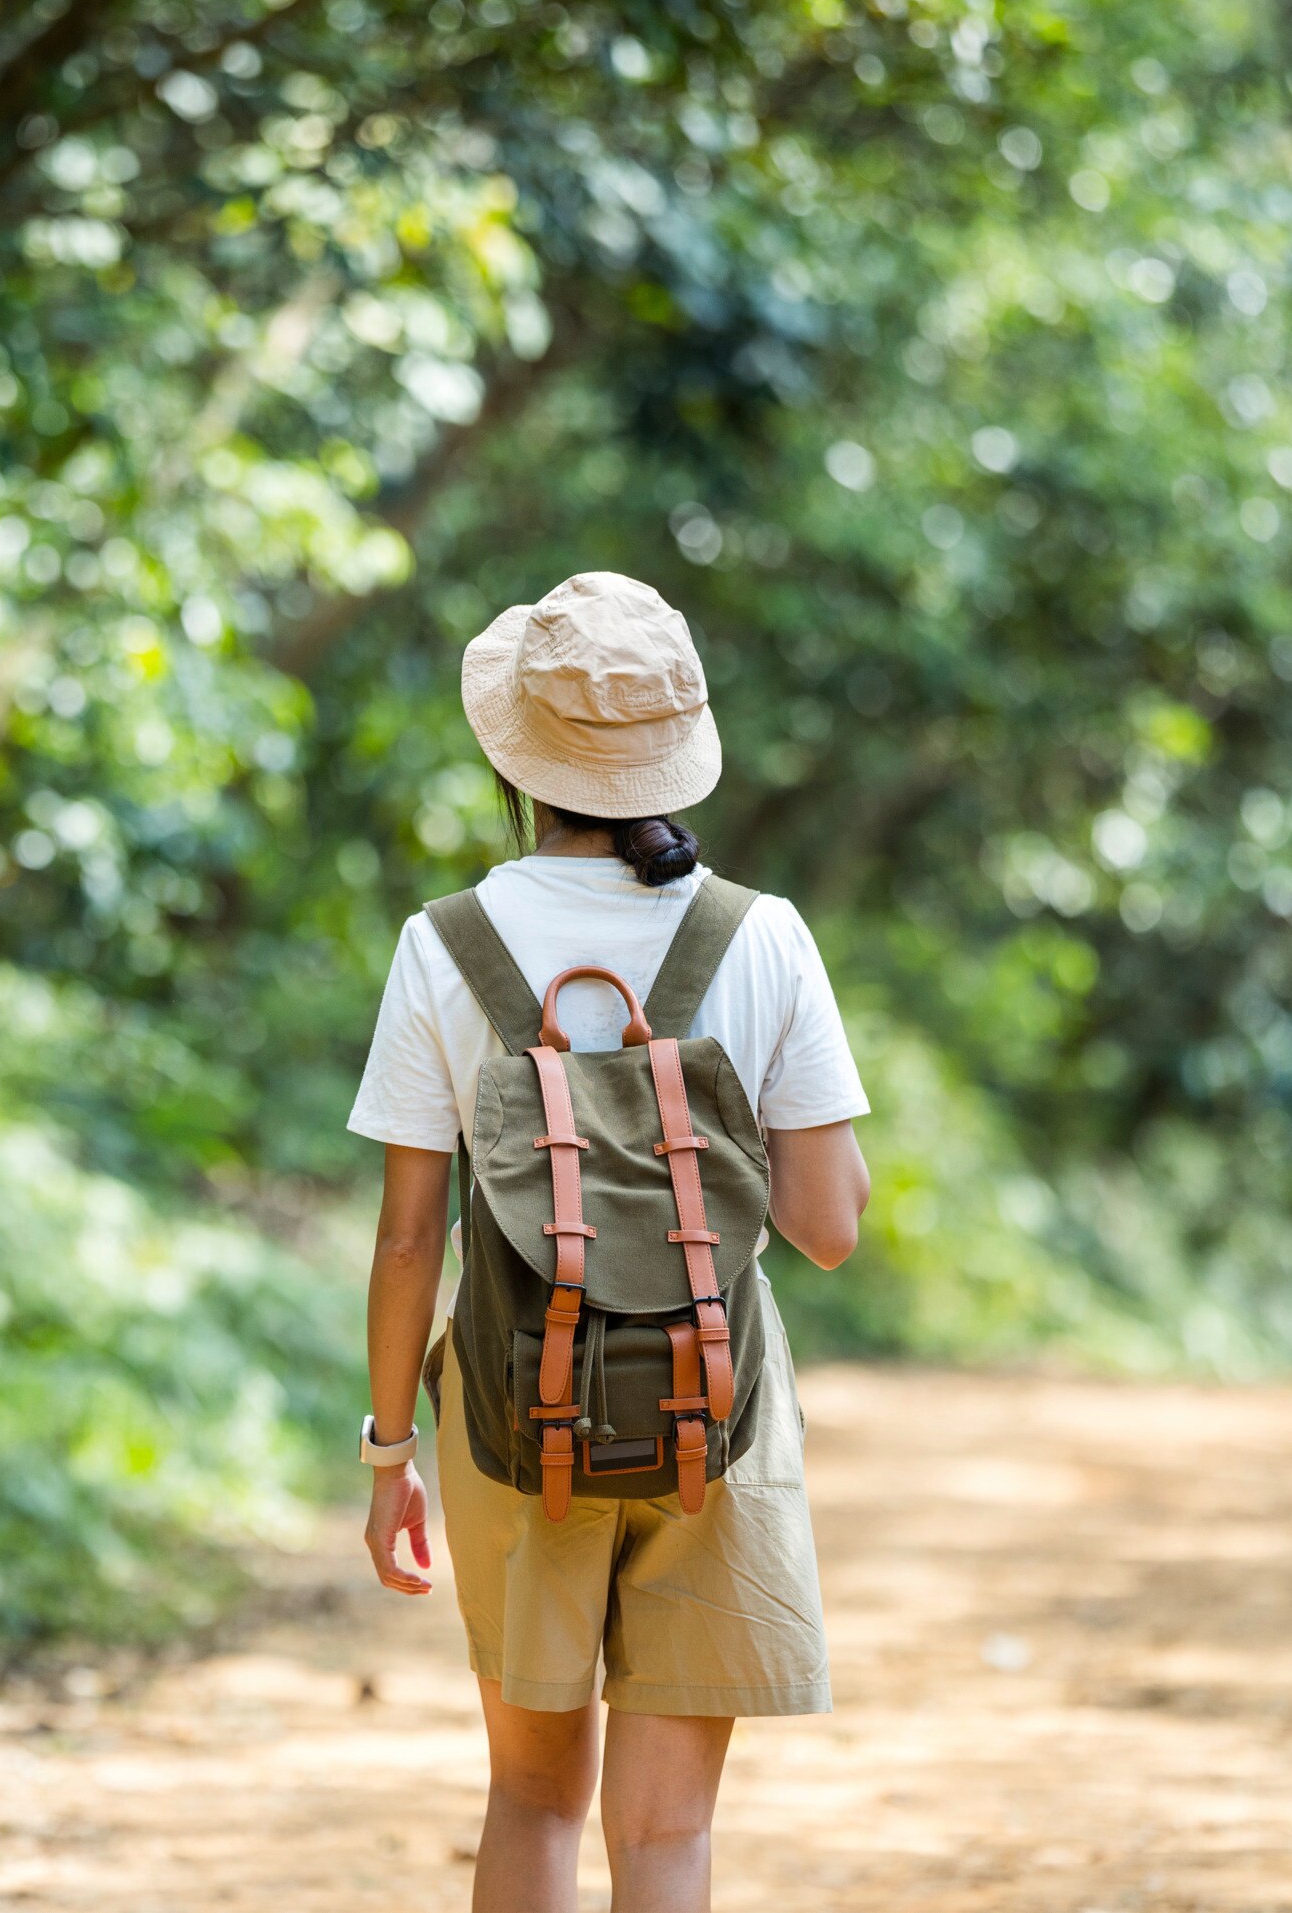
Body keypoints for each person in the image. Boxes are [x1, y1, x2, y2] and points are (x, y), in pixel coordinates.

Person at [346, 571, 872, 1913]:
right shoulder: (762, 937)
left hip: (517, 1423)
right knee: (669, 1836)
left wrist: (389, 1453)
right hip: (717, 1410)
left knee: (531, 1797)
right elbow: (826, 1228)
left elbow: (411, 1242)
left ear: (520, 757)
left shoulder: (444, 944)